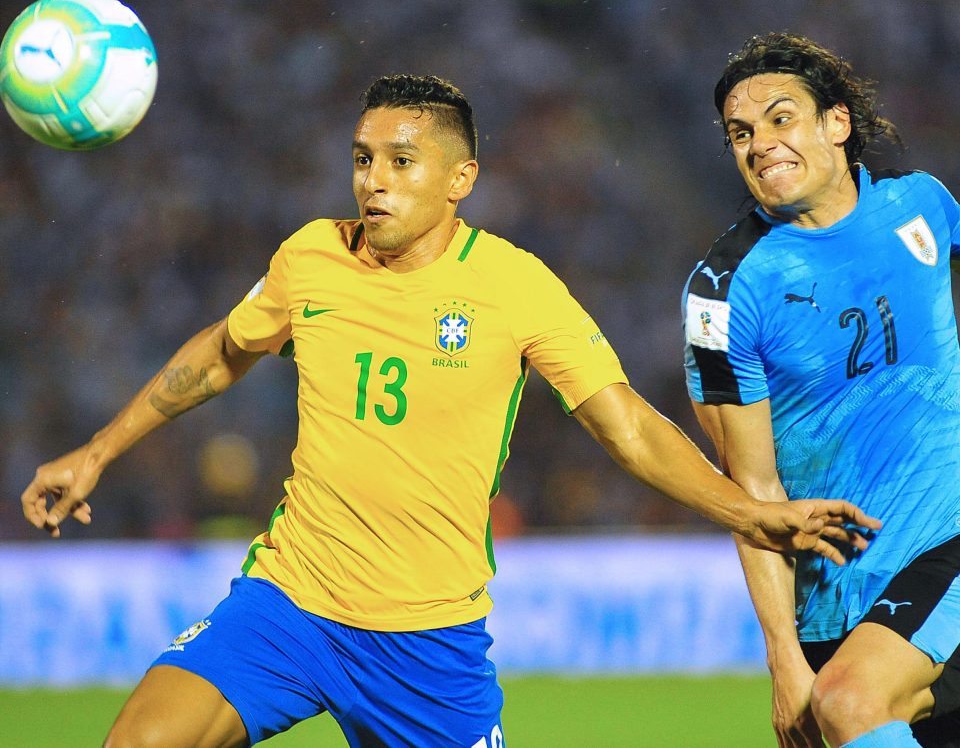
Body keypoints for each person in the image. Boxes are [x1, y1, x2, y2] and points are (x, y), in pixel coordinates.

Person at [22, 74, 877, 748]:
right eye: (363, 159)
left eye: (401, 162)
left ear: (460, 178)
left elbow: (626, 425)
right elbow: (220, 353)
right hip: (287, 605)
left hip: (426, 643)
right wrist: (98, 450)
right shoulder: (311, 257)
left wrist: (753, 513)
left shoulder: (514, 285)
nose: (374, 182)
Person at [684, 33, 960, 748]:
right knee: (843, 706)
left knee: (849, 701)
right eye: (740, 133)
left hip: (944, 539)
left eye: (781, 118)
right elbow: (751, 489)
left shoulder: (921, 205)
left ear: (837, 123)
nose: (760, 144)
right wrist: (781, 654)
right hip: (836, 599)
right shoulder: (724, 293)